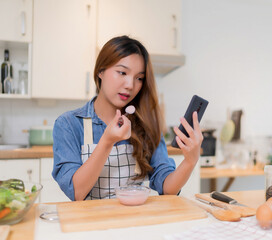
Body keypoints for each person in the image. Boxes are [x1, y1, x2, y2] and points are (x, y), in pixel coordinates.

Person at [52, 36, 203, 201]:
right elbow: (76, 192)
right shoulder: (69, 124)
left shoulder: (146, 125)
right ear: (100, 71)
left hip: (135, 221)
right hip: (91, 223)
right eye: (122, 72)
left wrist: (190, 161)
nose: (130, 85)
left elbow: (168, 190)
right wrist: (107, 142)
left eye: (139, 78)